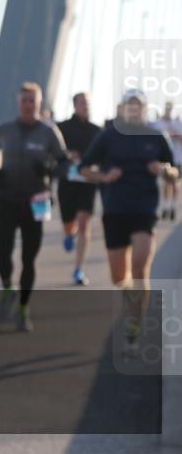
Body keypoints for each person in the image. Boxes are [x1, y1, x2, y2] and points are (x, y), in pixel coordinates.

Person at [79, 90, 179, 354]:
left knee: (140, 267)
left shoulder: (156, 136)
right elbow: (84, 169)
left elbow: (175, 172)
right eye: (130, 106)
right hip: (115, 210)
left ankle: (134, 328)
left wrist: (165, 170)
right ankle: (130, 304)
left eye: (139, 106)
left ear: (144, 109)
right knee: (118, 275)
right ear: (122, 108)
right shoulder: (108, 136)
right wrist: (104, 177)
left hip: (144, 209)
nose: (134, 110)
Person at [0, 81, 71, 332]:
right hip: (7, 199)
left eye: (32, 101)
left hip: (36, 202)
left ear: (39, 103)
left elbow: (64, 163)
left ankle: (23, 308)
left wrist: (49, 171)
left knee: (29, 258)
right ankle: (6, 288)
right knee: (3, 253)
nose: (27, 105)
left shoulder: (48, 132)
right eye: (24, 100)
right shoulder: (5, 129)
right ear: (18, 102)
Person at [56, 92, 102, 285]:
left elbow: (104, 154)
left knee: (84, 224)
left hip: (87, 183)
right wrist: (68, 154)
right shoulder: (62, 128)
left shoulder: (97, 130)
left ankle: (78, 270)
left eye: (88, 103)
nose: (86, 106)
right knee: (69, 222)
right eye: (82, 103)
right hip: (67, 182)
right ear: (74, 105)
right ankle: (68, 233)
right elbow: (53, 151)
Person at [152, 101, 182, 221]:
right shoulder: (158, 124)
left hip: (177, 158)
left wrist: (174, 135)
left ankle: (173, 207)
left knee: (175, 184)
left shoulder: (177, 123)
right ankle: (165, 207)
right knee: (166, 183)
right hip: (165, 160)